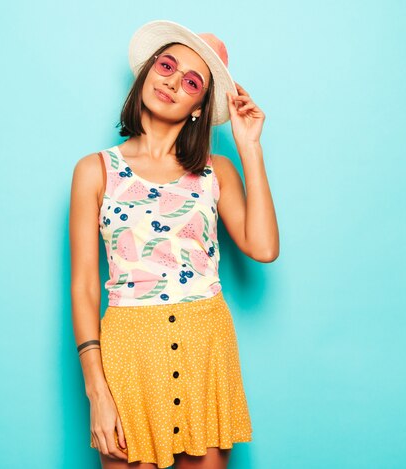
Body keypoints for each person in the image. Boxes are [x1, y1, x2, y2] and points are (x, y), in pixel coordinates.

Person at [69, 19, 279, 469]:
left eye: (191, 81)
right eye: (167, 65)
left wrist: (249, 147)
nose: (171, 81)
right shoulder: (94, 170)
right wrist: (96, 391)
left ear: (200, 105)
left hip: (205, 342)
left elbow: (262, 248)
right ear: (147, 71)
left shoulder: (215, 171)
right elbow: (85, 285)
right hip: (129, 348)